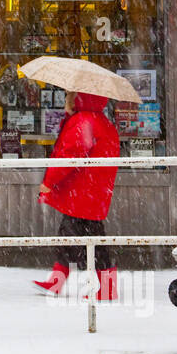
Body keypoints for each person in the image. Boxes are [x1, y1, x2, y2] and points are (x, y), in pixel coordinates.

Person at [34, 91, 120, 300]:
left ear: (78, 99)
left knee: (84, 238)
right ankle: (58, 282)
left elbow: (68, 156)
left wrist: (49, 182)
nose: (66, 101)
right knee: (76, 236)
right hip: (94, 192)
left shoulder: (83, 121)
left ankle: (104, 287)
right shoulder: (102, 122)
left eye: (69, 97)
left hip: (81, 192)